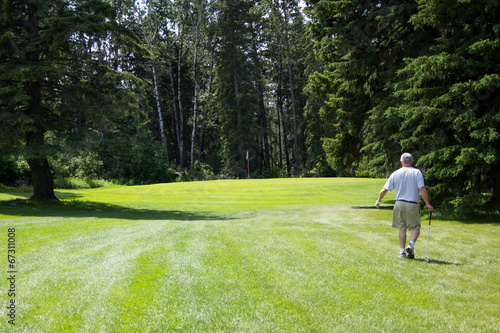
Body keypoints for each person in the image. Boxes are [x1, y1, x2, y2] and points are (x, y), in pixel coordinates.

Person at [375, 153, 434, 259]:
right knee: (415, 227)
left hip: (399, 204)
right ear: (411, 161)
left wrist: (379, 200)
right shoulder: (416, 172)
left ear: (401, 162)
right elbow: (421, 189)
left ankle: (402, 252)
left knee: (402, 228)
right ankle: (410, 245)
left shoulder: (396, 173)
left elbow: (384, 189)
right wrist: (428, 204)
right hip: (412, 204)